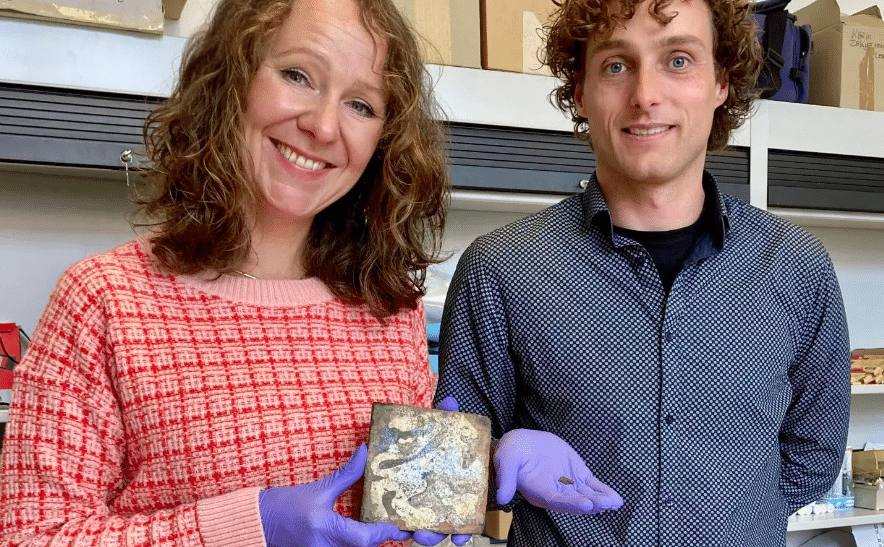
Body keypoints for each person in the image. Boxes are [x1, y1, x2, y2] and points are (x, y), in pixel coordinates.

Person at [0, 0, 470, 545]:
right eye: (298, 75)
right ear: (232, 79)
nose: (321, 126)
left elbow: (400, 525)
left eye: (361, 105)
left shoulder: (390, 310)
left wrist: (472, 474)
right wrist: (251, 526)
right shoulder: (105, 300)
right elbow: (33, 537)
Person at [434, 0, 852, 545]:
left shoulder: (797, 268)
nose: (645, 95)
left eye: (678, 60)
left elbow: (811, 461)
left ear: (721, 82)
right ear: (580, 92)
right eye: (615, 65)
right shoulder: (502, 269)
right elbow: (444, 482)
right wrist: (495, 461)